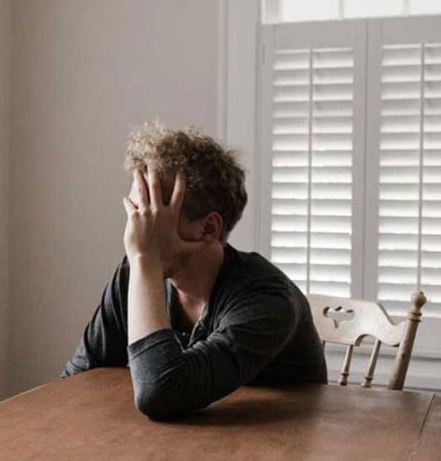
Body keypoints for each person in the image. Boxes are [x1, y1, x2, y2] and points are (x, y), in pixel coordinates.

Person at [62, 122, 327, 420]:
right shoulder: (135, 273)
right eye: (135, 213)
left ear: (208, 228)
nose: (135, 231)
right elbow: (76, 381)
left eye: (152, 215)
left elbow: (160, 393)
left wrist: (145, 259)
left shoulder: (268, 299)